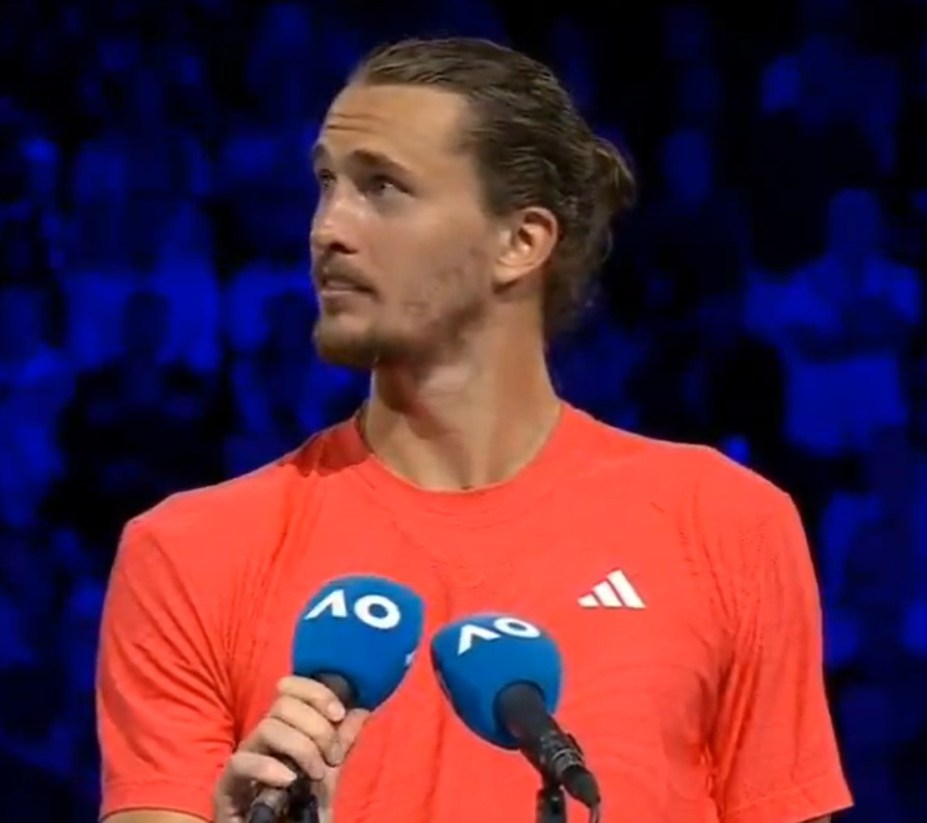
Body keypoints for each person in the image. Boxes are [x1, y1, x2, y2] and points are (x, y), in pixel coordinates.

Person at [97, 37, 852, 823]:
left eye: (381, 187)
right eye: (325, 184)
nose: (328, 229)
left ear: (519, 242)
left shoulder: (724, 521)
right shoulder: (189, 551)